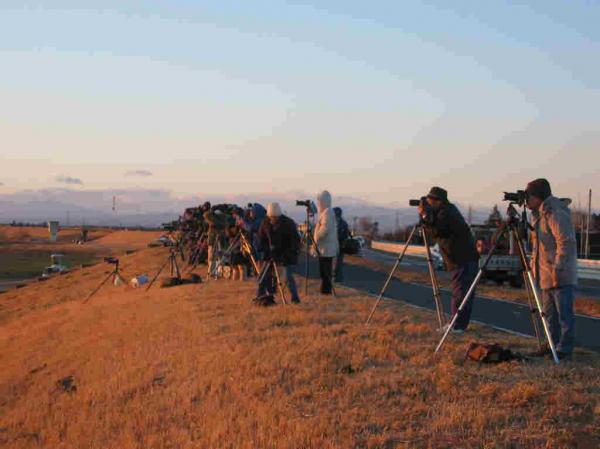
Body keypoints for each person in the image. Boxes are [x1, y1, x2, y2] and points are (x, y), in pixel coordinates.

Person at [526, 178, 577, 360]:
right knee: (549, 315)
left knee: (564, 314)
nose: (527, 201)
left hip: (559, 273)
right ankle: (551, 345)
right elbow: (537, 246)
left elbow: (566, 241)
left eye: (529, 196)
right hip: (545, 273)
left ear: (538, 196)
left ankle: (564, 348)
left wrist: (558, 267)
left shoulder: (555, 212)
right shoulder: (539, 214)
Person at [418, 187, 479, 333]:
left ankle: (457, 326)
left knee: (461, 293)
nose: (428, 204)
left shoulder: (446, 213)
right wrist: (426, 216)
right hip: (461, 258)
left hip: (461, 258)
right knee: (462, 292)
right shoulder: (446, 210)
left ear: (438, 201)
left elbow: (437, 230)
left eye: (430, 201)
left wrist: (424, 215)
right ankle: (458, 325)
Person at [257, 202, 301, 304]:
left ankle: (295, 298)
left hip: (286, 254)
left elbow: (295, 241)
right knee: (264, 276)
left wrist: (286, 254)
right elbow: (261, 238)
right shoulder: (265, 222)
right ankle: (265, 297)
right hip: (270, 254)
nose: (273, 219)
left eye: (275, 217)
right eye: (271, 217)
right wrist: (266, 250)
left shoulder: (288, 223)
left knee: (288, 278)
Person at [314, 190, 338, 294]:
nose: (318, 203)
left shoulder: (327, 213)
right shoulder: (327, 212)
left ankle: (326, 291)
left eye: (319, 201)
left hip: (326, 248)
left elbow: (325, 229)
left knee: (325, 271)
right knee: (325, 270)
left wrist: (317, 237)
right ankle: (325, 290)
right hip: (326, 247)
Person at [203, 207, 228, 278]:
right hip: (219, 239)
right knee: (221, 257)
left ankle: (211, 273)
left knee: (212, 257)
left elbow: (205, 214)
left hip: (214, 239)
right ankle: (220, 272)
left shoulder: (212, 219)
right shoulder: (224, 219)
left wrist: (212, 212)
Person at [333, 207, 350, 282]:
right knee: (338, 263)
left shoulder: (341, 224)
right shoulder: (343, 223)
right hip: (338, 246)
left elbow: (342, 235)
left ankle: (337, 279)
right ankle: (338, 278)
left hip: (339, 246)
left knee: (337, 263)